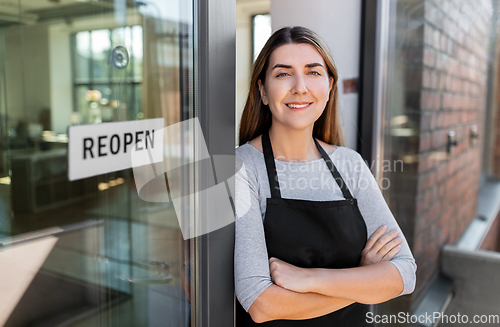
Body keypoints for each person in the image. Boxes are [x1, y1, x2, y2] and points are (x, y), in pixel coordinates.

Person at [234, 26, 416, 326]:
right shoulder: (242, 168)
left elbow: (405, 273)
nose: (300, 86)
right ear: (263, 90)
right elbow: (261, 303)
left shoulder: (350, 164)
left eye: (313, 72)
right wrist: (362, 280)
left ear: (330, 86)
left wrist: (309, 278)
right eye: (283, 73)